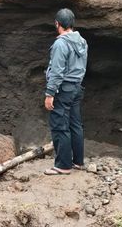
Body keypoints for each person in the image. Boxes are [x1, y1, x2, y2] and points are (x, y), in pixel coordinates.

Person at [43, 9, 88, 175]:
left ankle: (63, 165)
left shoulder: (61, 43)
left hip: (64, 89)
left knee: (60, 126)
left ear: (57, 24)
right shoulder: (82, 42)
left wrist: (50, 94)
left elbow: (57, 71)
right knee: (75, 124)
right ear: (73, 23)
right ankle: (78, 162)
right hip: (77, 87)